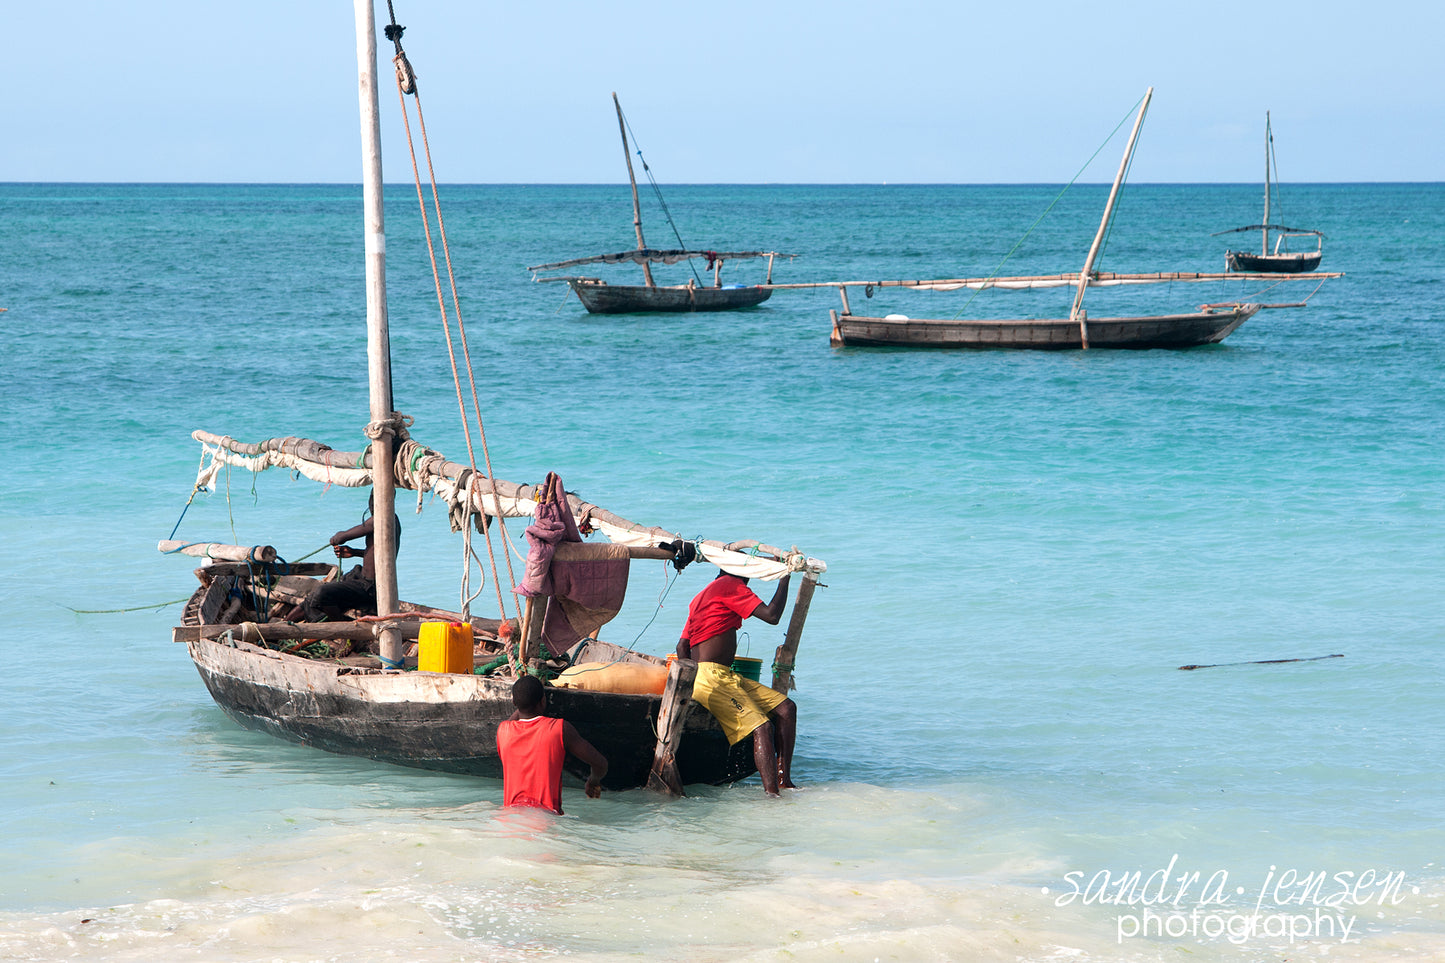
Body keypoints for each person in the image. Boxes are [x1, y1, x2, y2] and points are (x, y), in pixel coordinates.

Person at [676, 569, 797, 796]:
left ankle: (785, 781)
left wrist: (689, 683)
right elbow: (772, 616)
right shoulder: (730, 584)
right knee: (762, 727)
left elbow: (682, 647)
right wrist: (784, 577)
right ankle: (772, 796)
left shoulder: (702, 596)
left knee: (786, 708)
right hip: (712, 678)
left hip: (721, 675)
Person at [495, 675, 608, 814]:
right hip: (546, 818)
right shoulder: (559, 729)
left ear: (514, 702)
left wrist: (522, 702)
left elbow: (513, 720)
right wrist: (593, 781)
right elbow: (600, 764)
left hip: (509, 819)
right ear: (543, 701)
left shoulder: (503, 731)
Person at [287, 495, 400, 622]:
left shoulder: (381, 519)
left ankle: (346, 633)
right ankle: (284, 625)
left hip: (371, 587)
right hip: (361, 577)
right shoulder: (390, 521)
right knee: (313, 596)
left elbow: (341, 538)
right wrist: (354, 552)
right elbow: (380, 554)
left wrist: (335, 538)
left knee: (323, 593)